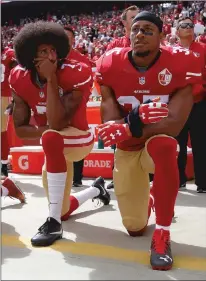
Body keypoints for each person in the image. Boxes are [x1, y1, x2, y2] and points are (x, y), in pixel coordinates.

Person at [96, 11, 202, 270]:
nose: (139, 34)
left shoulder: (181, 62)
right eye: (135, 29)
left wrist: (130, 125)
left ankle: (163, 233)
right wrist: (125, 125)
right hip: (128, 149)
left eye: (147, 30)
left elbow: (175, 123)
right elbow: (111, 123)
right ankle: (152, 200)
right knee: (134, 227)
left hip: (156, 141)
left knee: (165, 145)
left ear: (162, 37)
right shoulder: (110, 63)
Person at [9, 21, 110, 247]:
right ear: (30, 56)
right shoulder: (18, 77)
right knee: (63, 208)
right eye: (43, 51)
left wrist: (52, 78)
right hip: (53, 142)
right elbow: (21, 130)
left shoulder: (76, 71)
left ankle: (53, 223)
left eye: (53, 50)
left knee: (52, 137)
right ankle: (96, 189)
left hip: (79, 137)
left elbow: (56, 121)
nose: (51, 55)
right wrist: (48, 130)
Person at [175, 17, 206, 192]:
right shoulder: (170, 52)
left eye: (190, 25)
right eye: (183, 25)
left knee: (201, 144)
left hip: (199, 103)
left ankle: (203, 182)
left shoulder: (203, 48)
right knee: (177, 145)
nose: (187, 27)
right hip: (178, 105)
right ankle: (178, 180)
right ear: (177, 31)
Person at [1, 40, 16, 177]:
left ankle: (4, 164)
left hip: (3, 96)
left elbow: (18, 72)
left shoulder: (9, 54)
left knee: (2, 131)